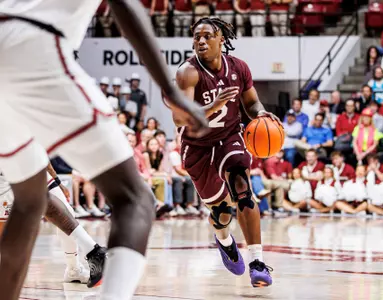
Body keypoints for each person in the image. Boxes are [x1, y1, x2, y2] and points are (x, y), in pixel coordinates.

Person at [0, 0, 207, 299]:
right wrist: (171, 89)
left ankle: (87, 253)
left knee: (29, 202)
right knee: (136, 199)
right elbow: (125, 6)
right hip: (34, 46)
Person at [174, 17, 277, 287]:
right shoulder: (188, 72)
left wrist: (261, 114)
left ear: (221, 38)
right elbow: (179, 117)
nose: (201, 41)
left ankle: (257, 262)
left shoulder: (239, 68)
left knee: (242, 190)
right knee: (221, 213)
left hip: (229, 137)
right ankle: (224, 240)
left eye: (207, 36)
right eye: (196, 37)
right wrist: (213, 106)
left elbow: (251, 102)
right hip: (197, 146)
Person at [0, 164, 107, 287]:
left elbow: (41, 151)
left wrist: (57, 181)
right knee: (10, 237)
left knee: (67, 213)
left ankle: (74, 268)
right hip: (7, 177)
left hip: (28, 166)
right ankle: (93, 252)